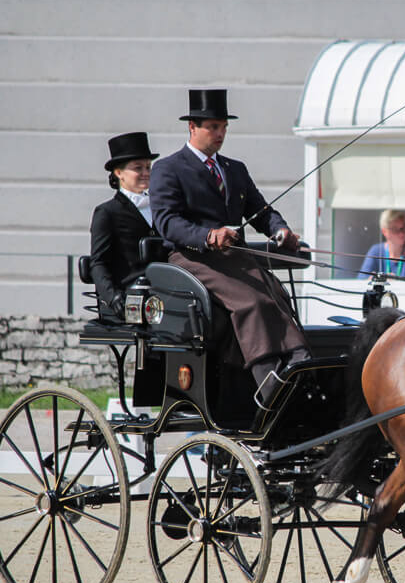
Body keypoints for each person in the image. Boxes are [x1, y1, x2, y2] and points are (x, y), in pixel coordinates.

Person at [150, 89, 309, 408]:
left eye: (223, 126)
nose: (220, 133)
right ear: (192, 127)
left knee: (275, 293)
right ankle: (269, 384)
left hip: (233, 259)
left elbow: (260, 210)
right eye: (212, 126)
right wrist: (209, 236)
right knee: (251, 302)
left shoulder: (234, 169)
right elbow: (167, 222)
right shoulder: (168, 169)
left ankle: (299, 363)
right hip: (191, 258)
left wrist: (280, 230)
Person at [89, 131, 160, 318]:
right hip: (130, 297)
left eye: (148, 167)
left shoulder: (161, 208)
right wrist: (113, 298)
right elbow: (98, 262)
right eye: (138, 168)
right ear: (119, 173)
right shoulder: (107, 212)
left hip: (164, 293)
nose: (146, 173)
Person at [357, 209, 405, 279]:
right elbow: (361, 279)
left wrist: (397, 283)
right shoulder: (376, 251)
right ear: (384, 232)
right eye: (395, 229)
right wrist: (372, 279)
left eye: (403, 228)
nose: (401, 233)